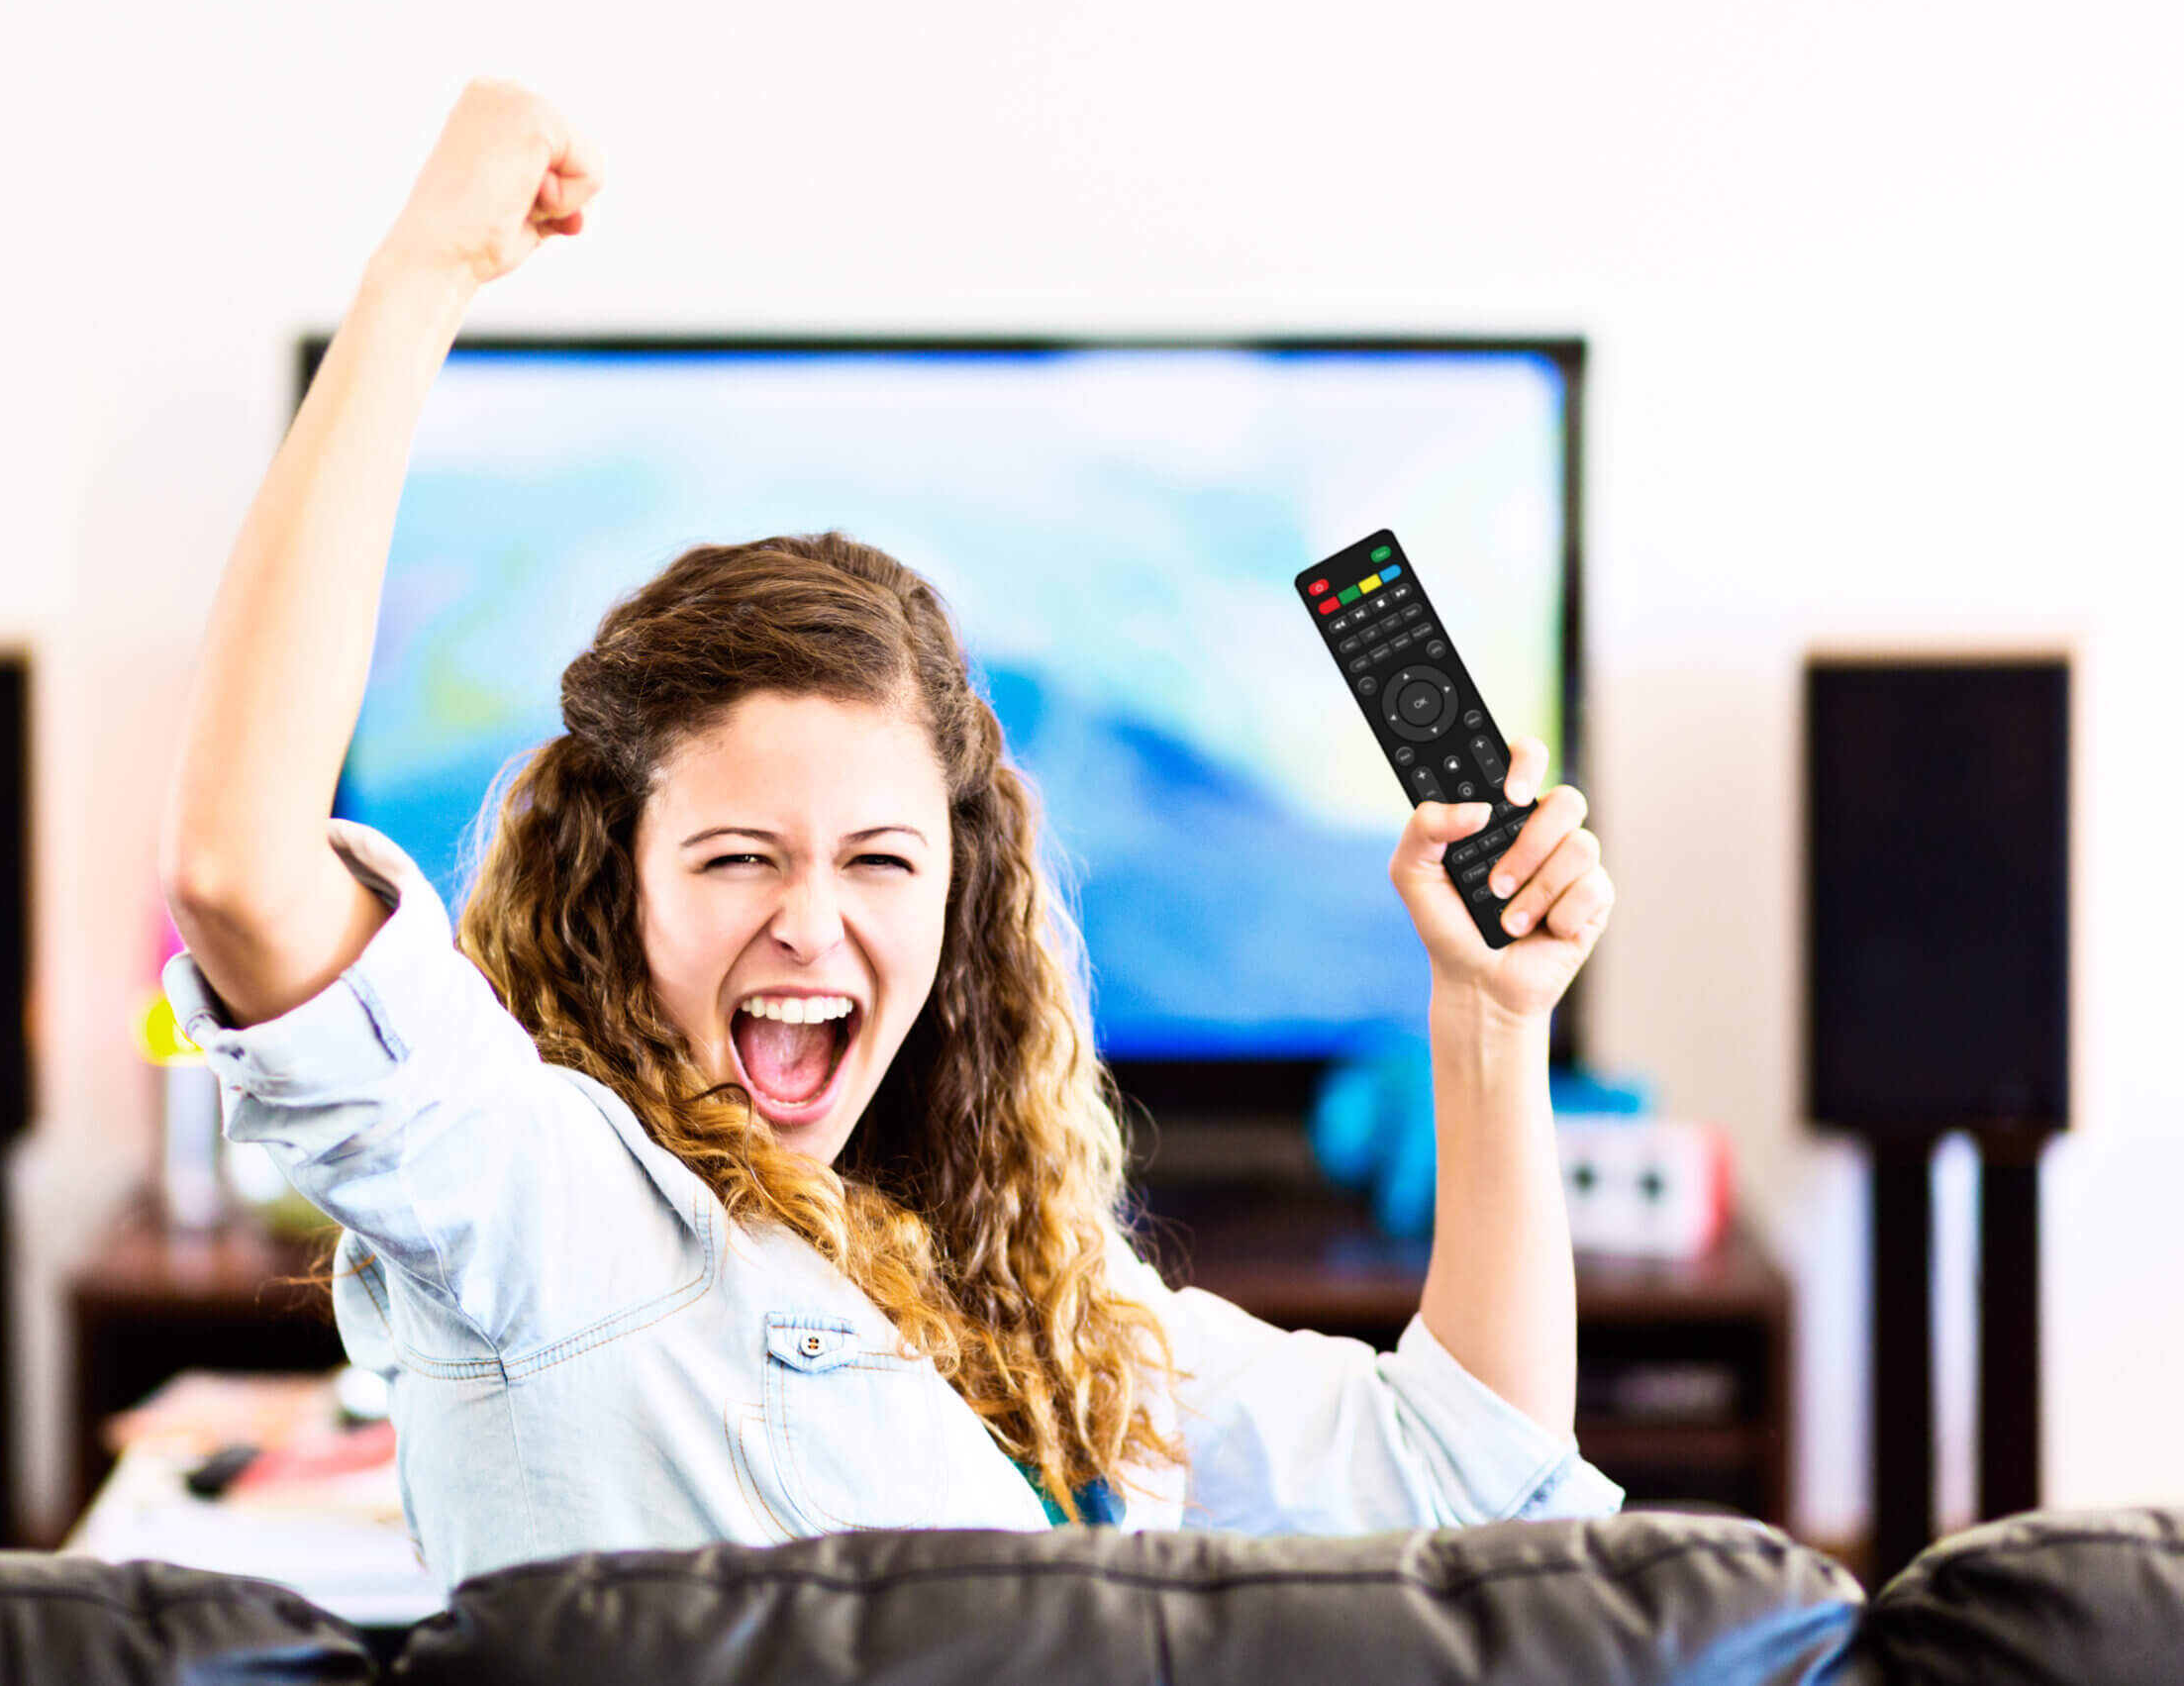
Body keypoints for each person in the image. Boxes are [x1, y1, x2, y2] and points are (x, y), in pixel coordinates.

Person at [158, 78, 1625, 1591]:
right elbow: (242, 871)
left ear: (958, 898)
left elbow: (1473, 1483)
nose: (811, 921)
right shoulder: (554, 1214)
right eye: (739, 858)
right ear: (619, 887)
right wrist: (420, 282)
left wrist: (1490, 1020)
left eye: (879, 861)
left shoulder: (1037, 1295)